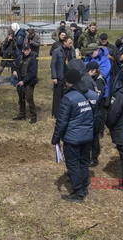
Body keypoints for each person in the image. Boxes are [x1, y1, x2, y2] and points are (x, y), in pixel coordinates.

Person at [51, 69, 98, 202]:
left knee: (73, 164)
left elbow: (62, 122)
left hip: (72, 138)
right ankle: (83, 183)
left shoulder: (68, 98)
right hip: (88, 136)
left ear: (69, 82)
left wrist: (55, 139)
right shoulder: (93, 96)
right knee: (84, 161)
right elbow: (96, 117)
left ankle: (78, 191)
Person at [12, 44, 38, 124]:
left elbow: (32, 73)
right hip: (20, 80)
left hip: (29, 81)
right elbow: (14, 65)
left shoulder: (33, 59)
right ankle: (22, 114)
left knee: (29, 98)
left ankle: (33, 116)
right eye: (25, 50)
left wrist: (24, 81)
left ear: (30, 50)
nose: (26, 51)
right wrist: (14, 70)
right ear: (22, 50)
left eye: (28, 50)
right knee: (21, 98)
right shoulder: (19, 58)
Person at [86, 61, 105, 167]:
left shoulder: (99, 81)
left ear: (94, 71)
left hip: (97, 111)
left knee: (94, 137)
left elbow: (98, 96)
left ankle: (94, 158)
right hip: (92, 110)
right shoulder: (93, 79)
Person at [51, 36, 75, 116]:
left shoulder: (72, 51)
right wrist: (54, 77)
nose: (71, 44)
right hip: (59, 76)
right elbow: (53, 65)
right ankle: (56, 114)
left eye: (72, 43)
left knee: (68, 96)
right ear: (64, 42)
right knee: (58, 96)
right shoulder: (57, 51)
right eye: (69, 43)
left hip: (69, 77)